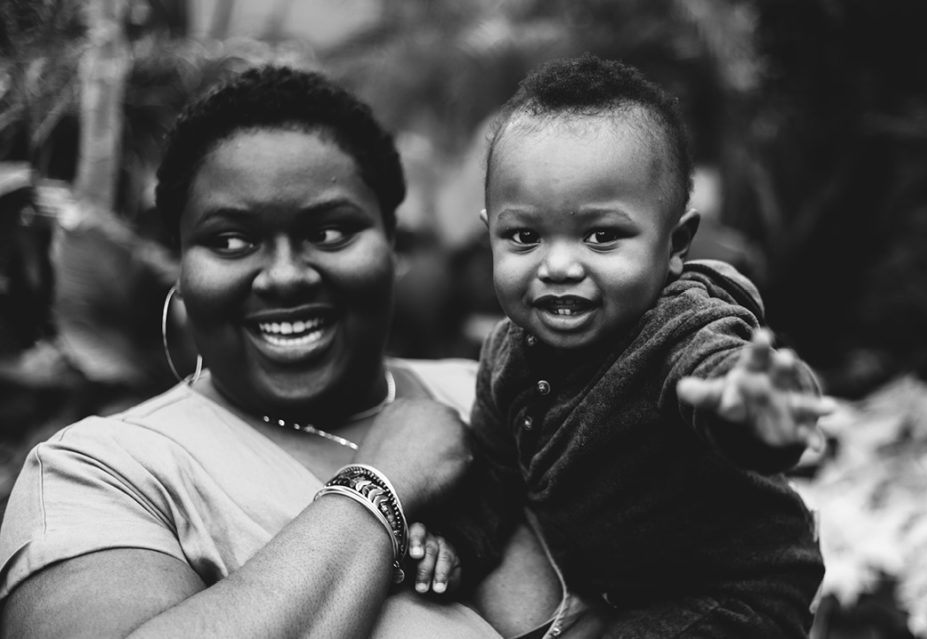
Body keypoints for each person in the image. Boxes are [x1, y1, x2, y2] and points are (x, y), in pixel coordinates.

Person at [0, 65, 591, 639]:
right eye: (230, 240)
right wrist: (377, 487)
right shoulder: (101, 472)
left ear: (391, 242)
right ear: (180, 264)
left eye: (329, 232)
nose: (284, 276)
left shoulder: (502, 389)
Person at [451, 55, 834, 637]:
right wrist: (455, 543)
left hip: (737, 593)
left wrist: (757, 407)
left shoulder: (678, 329)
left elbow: (719, 370)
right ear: (490, 234)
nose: (557, 266)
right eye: (524, 237)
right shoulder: (507, 354)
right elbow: (493, 472)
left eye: (601, 236)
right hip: (628, 594)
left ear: (675, 243)